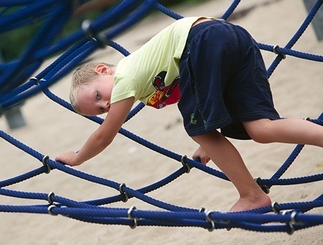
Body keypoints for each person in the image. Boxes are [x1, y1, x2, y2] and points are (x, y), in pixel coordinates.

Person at [55, 17, 323, 212]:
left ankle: (252, 195)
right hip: (232, 39)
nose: (106, 106)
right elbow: (201, 93)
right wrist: (208, 140)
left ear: (104, 70)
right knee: (261, 129)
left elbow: (105, 136)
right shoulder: (145, 85)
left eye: (98, 96)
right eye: (100, 110)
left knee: (197, 127)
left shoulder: (126, 76)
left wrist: (78, 157)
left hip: (201, 41)